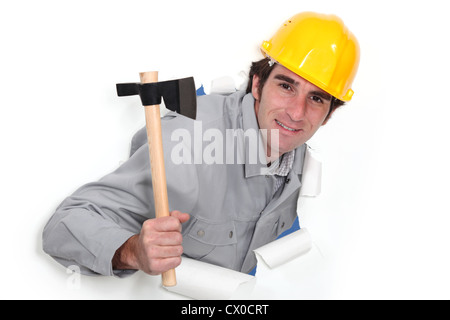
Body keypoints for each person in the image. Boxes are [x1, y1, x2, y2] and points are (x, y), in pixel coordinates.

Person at [42, 12, 360, 277]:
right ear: (259, 84)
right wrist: (132, 251)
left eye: (316, 98)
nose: (296, 112)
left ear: (328, 115)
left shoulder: (297, 154)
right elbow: (65, 224)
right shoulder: (187, 147)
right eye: (286, 86)